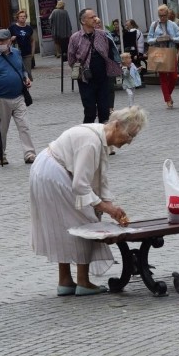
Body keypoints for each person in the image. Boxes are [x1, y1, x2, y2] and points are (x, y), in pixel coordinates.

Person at [29, 106, 148, 296]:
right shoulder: (92, 142)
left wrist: (109, 204)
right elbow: (81, 185)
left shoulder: (100, 138)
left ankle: (65, 281)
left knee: (65, 224)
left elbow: (99, 177)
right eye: (129, 135)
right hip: (52, 173)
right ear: (116, 125)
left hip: (47, 170)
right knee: (84, 221)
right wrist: (107, 209)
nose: (129, 141)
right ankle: (83, 282)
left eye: (133, 137)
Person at [0, 29, 36, 165]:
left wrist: (26, 79)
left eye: (2, 41)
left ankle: (29, 154)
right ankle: (1, 154)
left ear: (9, 41)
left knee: (24, 126)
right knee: (2, 129)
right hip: (1, 98)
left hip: (18, 96)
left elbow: (22, 70)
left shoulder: (17, 53)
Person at [68, 8, 121, 124]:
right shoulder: (75, 38)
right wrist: (81, 69)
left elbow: (110, 53)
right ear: (83, 21)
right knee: (90, 111)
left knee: (104, 112)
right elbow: (71, 59)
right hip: (86, 80)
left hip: (103, 78)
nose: (95, 19)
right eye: (91, 17)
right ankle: (87, 136)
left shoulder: (103, 35)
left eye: (95, 16)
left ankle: (103, 139)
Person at [147, 4, 179, 109]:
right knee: (163, 77)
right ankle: (168, 99)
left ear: (168, 14)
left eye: (164, 15)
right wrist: (157, 39)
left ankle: (167, 95)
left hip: (171, 52)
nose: (162, 18)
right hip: (159, 52)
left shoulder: (173, 25)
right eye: (160, 16)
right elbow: (149, 39)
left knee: (174, 76)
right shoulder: (154, 25)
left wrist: (172, 38)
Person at [8, 9, 38, 81]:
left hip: (27, 53)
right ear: (17, 18)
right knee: (18, 72)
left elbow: (32, 40)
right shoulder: (12, 27)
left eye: (24, 16)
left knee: (28, 73)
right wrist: (11, 39)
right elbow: (5, 40)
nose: (23, 17)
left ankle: (27, 88)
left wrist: (32, 53)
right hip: (15, 53)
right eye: (21, 16)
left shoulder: (29, 28)